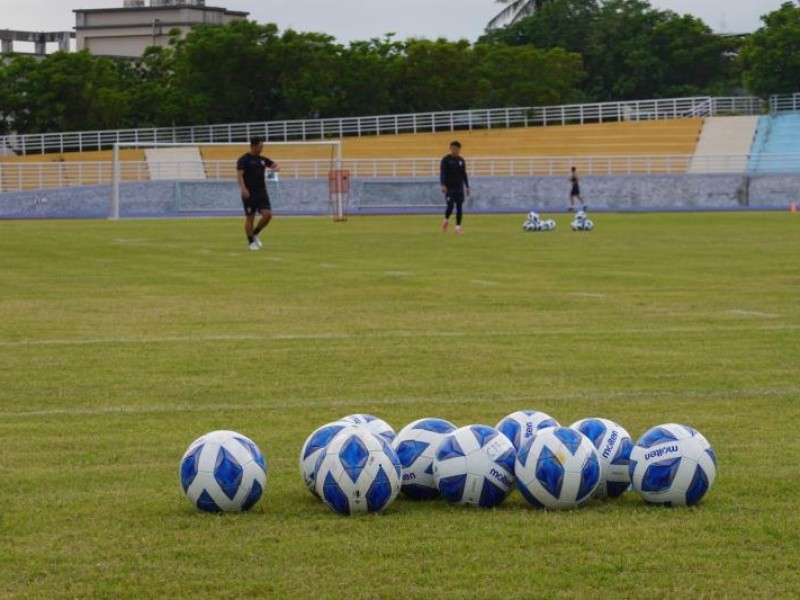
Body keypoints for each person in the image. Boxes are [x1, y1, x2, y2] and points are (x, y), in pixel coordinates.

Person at [237, 136, 280, 251]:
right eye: (260, 147)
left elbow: (275, 165)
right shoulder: (244, 159)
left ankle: (255, 233)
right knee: (250, 217)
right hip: (249, 193)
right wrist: (243, 188)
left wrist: (274, 169)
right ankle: (251, 242)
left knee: (268, 215)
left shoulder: (263, 160)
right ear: (254, 146)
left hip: (262, 192)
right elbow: (239, 175)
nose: (262, 149)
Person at [440, 141, 470, 234]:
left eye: (456, 149)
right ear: (450, 148)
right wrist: (443, 185)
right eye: (452, 148)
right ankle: (446, 220)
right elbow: (443, 173)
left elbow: (464, 174)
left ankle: (457, 228)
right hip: (449, 188)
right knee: (450, 205)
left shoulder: (461, 160)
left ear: (459, 150)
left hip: (459, 187)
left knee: (459, 206)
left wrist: (467, 186)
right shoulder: (445, 160)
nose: (454, 150)